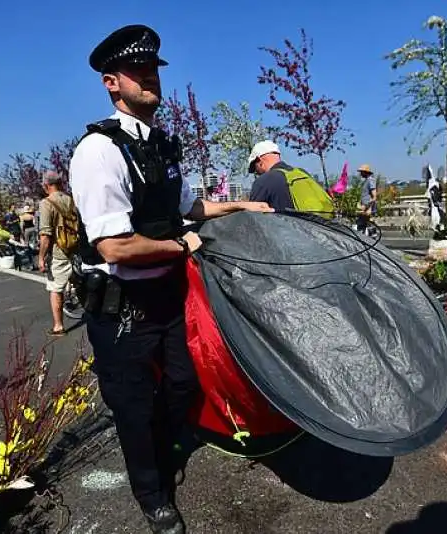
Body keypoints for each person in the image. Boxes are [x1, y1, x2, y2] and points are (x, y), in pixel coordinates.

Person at [70, 24, 272, 534]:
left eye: (153, 71)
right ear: (111, 83)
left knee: (183, 383)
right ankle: (153, 494)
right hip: (122, 304)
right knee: (133, 406)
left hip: (166, 293)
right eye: (136, 73)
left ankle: (165, 449)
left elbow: (188, 207)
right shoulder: (98, 151)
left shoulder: (159, 145)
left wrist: (241, 205)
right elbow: (114, 245)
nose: (149, 80)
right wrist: (184, 244)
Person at [248, 140, 332, 218]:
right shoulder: (302, 173)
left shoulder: (263, 180)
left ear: (259, 161)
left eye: (254, 167)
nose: (256, 172)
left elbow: (251, 218)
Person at [38, 171, 76, 337]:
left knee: (56, 289)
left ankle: (58, 326)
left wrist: (41, 257)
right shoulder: (71, 200)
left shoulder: (47, 203)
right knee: (79, 284)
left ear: (47, 186)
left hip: (58, 251)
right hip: (75, 250)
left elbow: (46, 235)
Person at [356, 164, 377, 232]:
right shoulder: (366, 181)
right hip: (364, 207)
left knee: (366, 226)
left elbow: (374, 197)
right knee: (361, 226)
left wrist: (368, 207)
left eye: (362, 172)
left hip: (367, 208)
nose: (360, 173)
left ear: (365, 172)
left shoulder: (370, 180)